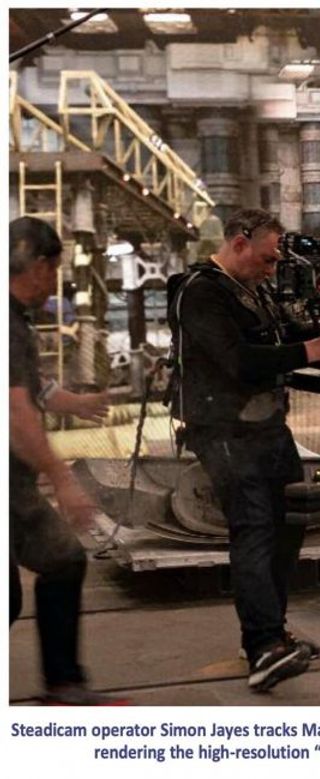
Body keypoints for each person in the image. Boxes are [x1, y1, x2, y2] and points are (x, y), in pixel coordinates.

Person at [166, 208, 320, 692]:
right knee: (253, 529)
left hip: (266, 427)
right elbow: (238, 361)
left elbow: (279, 338)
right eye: (268, 259)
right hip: (224, 430)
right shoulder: (200, 292)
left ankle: (272, 629)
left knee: (289, 524)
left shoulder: (253, 290)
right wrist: (312, 351)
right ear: (239, 242)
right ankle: (264, 646)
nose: (273, 270)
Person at [9, 216, 128, 705]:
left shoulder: (16, 320)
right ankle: (63, 685)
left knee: (60, 561)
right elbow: (15, 411)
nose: (54, 281)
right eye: (55, 269)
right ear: (38, 265)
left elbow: (30, 387)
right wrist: (63, 479)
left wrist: (74, 404)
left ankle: (64, 686)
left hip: (13, 485)